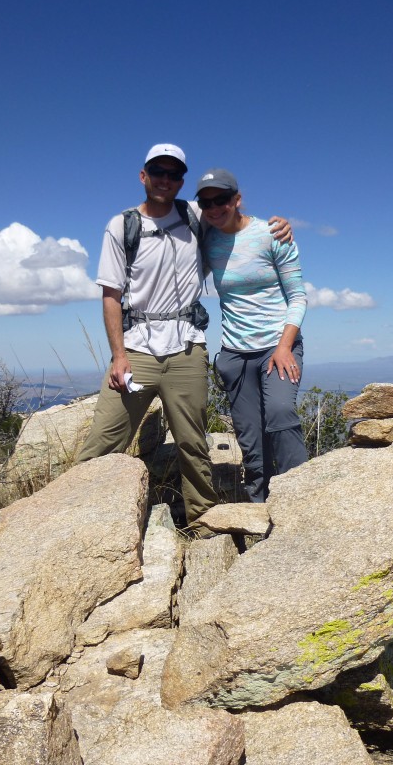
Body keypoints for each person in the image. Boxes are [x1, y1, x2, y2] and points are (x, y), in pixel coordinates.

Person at [76, 145, 290, 531]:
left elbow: (232, 216)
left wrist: (278, 227)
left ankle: (202, 523)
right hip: (137, 346)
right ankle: (77, 517)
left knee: (193, 444)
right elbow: (111, 294)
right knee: (103, 441)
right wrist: (117, 355)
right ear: (143, 176)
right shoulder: (122, 225)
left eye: (174, 174)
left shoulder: (196, 216)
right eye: (158, 171)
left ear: (181, 182)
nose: (165, 179)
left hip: (188, 346)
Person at [198, 168, 308, 503]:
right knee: (249, 436)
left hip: (278, 346)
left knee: (279, 412)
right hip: (234, 353)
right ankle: (260, 503)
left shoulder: (272, 234)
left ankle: (300, 497)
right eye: (206, 202)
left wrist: (285, 346)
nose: (215, 208)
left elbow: (298, 296)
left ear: (237, 199)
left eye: (222, 200)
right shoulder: (207, 240)